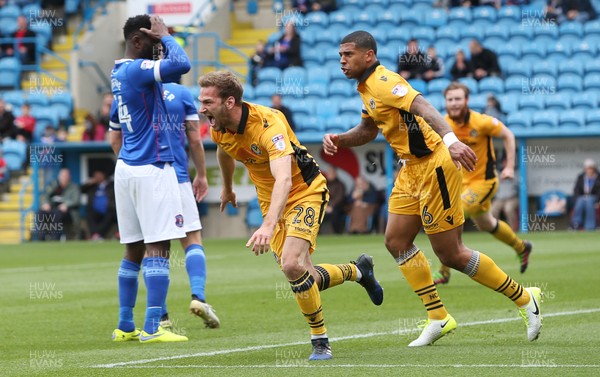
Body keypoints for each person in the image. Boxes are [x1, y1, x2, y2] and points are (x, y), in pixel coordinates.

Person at [324, 31, 542, 346]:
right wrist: (342, 139)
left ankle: (524, 298)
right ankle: (438, 316)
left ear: (368, 55)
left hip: (435, 165)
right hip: (410, 169)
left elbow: (422, 105)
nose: (342, 61)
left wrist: (451, 140)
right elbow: (369, 128)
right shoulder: (365, 87)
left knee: (450, 253)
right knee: (397, 241)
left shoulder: (384, 80)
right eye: (340, 55)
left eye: (348, 54)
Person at [199, 70, 383, 360]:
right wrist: (226, 188)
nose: (202, 108)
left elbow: (284, 180)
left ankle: (320, 341)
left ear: (230, 102)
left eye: (208, 101)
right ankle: (358, 271)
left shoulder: (268, 124)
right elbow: (224, 152)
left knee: (290, 264)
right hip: (271, 201)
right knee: (305, 275)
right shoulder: (218, 127)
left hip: (304, 191)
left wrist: (267, 226)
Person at [108, 14, 191, 343]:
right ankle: (153, 328)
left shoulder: (118, 73)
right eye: (155, 44)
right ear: (138, 42)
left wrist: (162, 39)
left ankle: (125, 325)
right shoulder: (135, 69)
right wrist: (168, 35)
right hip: (152, 166)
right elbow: (181, 65)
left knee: (133, 250)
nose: (161, 50)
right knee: (159, 245)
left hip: (127, 167)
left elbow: (116, 124)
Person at [432, 82, 533, 285]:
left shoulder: (482, 121)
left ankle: (444, 270)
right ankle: (522, 247)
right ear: (445, 102)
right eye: (450, 99)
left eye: (458, 99)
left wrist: (509, 166)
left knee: (453, 213)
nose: (454, 103)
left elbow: (508, 135)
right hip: (458, 184)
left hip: (483, 183)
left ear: (466, 100)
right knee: (487, 223)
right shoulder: (442, 124)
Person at [157, 82, 220, 329]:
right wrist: (201, 175)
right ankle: (198, 297)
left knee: (155, 247)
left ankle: (160, 317)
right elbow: (195, 139)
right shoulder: (180, 94)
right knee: (192, 238)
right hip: (177, 176)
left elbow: (116, 138)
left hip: (142, 178)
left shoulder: (129, 91)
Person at [33, 168, 80, 241]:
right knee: (40, 213)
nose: (63, 178)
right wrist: (46, 204)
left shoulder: (74, 187)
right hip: (52, 209)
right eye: (62, 176)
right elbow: (45, 196)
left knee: (56, 214)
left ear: (69, 177)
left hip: (67, 213)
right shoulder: (54, 185)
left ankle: (54, 238)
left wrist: (66, 205)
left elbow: (76, 200)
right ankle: (41, 238)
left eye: (65, 176)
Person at [81, 170, 116, 240]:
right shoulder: (92, 186)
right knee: (89, 215)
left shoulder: (110, 185)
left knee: (110, 216)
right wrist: (90, 183)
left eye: (98, 175)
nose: (97, 177)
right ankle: (95, 234)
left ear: (103, 175)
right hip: (94, 211)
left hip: (108, 209)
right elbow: (82, 190)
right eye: (95, 175)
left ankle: (98, 234)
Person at [491, 158, 520, 231]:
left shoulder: (516, 172)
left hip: (511, 198)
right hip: (499, 199)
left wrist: (510, 177)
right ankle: (497, 230)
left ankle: (512, 230)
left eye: (507, 161)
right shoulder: (497, 173)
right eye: (505, 161)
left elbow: (521, 185)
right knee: (493, 210)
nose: (506, 163)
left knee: (508, 209)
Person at [572, 158, 600, 230]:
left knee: (589, 201)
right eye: (588, 168)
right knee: (580, 200)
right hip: (582, 198)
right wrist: (576, 200)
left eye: (591, 168)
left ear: (594, 168)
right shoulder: (581, 177)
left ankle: (590, 226)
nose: (589, 170)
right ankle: (576, 224)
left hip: (594, 198)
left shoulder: (598, 177)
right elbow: (576, 190)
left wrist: (597, 201)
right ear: (585, 169)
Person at [322, 167, 346, 234]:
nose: (328, 175)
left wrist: (331, 206)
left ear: (335, 174)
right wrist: (325, 206)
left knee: (335, 214)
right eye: (328, 173)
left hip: (336, 207)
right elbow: (321, 196)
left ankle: (337, 233)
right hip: (325, 207)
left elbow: (339, 198)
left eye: (330, 173)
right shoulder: (324, 184)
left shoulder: (340, 184)